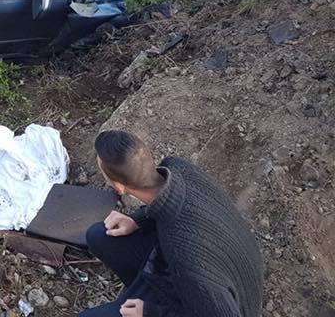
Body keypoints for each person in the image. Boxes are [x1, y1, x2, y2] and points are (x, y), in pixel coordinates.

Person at [84, 130, 263, 317]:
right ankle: (139, 291)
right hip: (210, 269)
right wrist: (138, 221)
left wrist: (151, 312)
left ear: (119, 187)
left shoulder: (183, 253)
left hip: (234, 300)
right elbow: (182, 206)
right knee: (99, 236)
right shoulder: (178, 168)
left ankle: (145, 299)